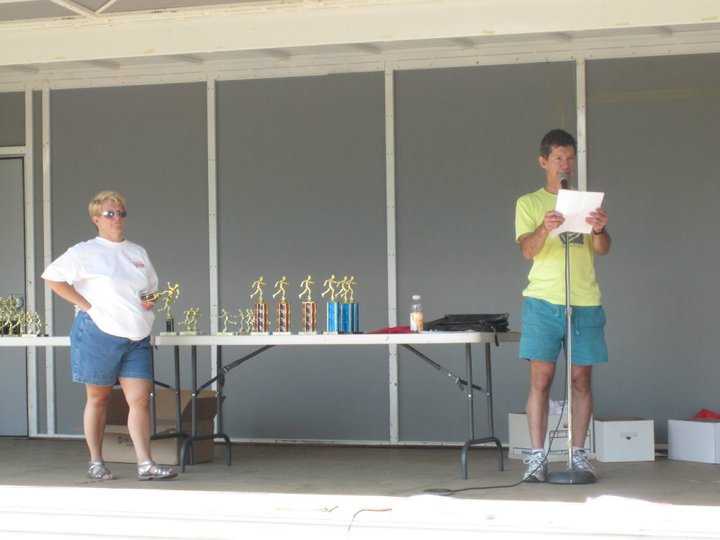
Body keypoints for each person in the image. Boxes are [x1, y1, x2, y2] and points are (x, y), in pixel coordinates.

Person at [42, 190, 177, 481]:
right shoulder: (85, 251)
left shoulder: (137, 252)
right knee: (98, 398)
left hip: (137, 335)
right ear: (96, 219)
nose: (117, 218)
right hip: (98, 333)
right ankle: (96, 461)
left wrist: (150, 299)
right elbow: (52, 277)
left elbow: (151, 288)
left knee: (140, 399)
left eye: (121, 213)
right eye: (110, 213)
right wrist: (85, 304)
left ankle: (145, 463)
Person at [514, 129, 610, 482]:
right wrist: (544, 227)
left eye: (569, 158)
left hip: (584, 299)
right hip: (543, 301)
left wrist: (599, 229)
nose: (564, 164)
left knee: (581, 379)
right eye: (558, 158)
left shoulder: (586, 203)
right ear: (543, 162)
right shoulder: (528, 203)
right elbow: (527, 250)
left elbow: (602, 249)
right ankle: (537, 457)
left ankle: (579, 454)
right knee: (541, 378)